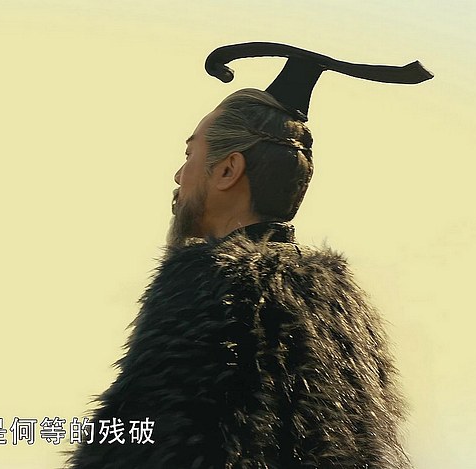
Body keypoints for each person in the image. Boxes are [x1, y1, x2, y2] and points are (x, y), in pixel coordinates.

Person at [65, 44, 430, 469]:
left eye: (190, 155)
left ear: (227, 170)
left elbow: (155, 445)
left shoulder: (213, 284)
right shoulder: (342, 308)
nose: (179, 176)